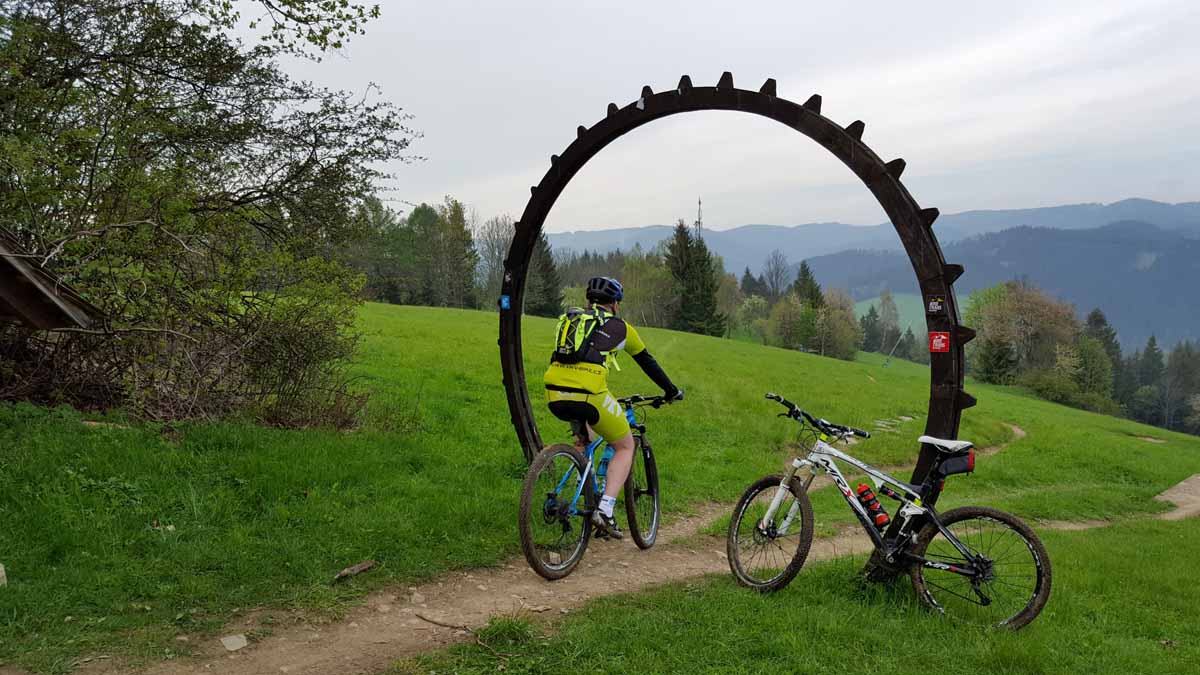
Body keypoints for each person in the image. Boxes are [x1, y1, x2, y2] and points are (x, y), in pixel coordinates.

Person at [543, 276, 682, 539]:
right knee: (625, 445)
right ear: (615, 304)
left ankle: (584, 491)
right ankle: (605, 509)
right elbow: (647, 362)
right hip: (589, 396)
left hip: (553, 393)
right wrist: (671, 391)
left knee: (585, 439)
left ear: (588, 300)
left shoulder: (571, 320)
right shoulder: (621, 328)